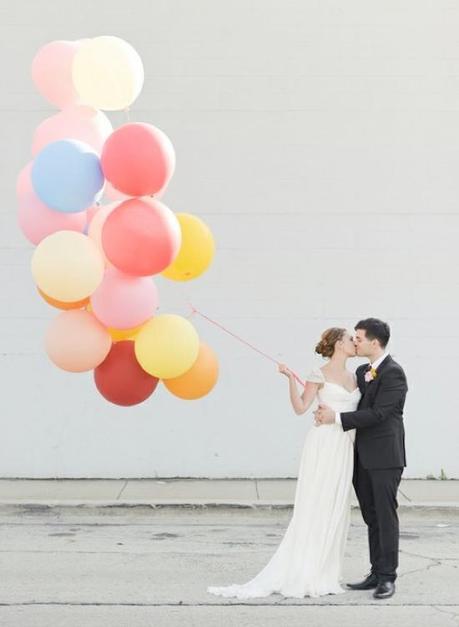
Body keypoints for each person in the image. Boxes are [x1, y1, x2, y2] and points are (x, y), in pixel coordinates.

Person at [207, 327, 359, 599]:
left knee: (336, 505)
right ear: (338, 344)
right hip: (323, 443)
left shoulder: (356, 376)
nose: (355, 342)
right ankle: (306, 571)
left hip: (344, 445)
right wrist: (290, 379)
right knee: (316, 504)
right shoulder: (318, 374)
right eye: (350, 339)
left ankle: (326, 571)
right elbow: (301, 407)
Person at [314, 318, 408, 599]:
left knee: (385, 515)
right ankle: (376, 572)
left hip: (385, 457)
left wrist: (337, 418)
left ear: (374, 342)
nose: (355, 342)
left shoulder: (394, 373)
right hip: (360, 455)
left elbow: (379, 414)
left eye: (359, 337)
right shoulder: (363, 370)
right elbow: (354, 402)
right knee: (371, 515)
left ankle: (388, 577)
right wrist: (326, 408)